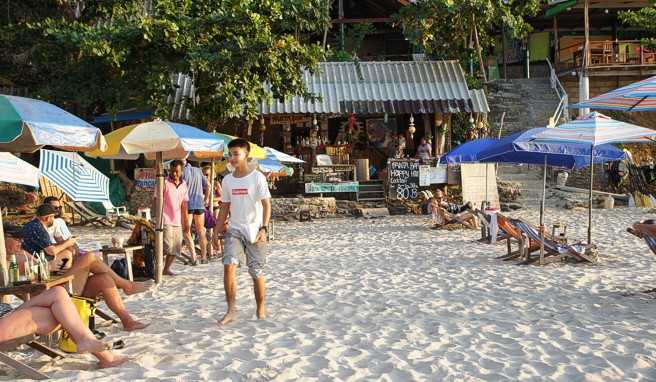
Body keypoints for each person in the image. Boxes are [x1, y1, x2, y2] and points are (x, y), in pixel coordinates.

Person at [15, 208, 151, 331]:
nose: (20, 241)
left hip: (58, 284)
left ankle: (128, 321)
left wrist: (65, 255)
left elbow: (49, 259)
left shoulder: (27, 245)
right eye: (15, 239)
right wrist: (67, 246)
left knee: (104, 279)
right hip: (53, 294)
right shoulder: (17, 258)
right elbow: (37, 272)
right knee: (89, 257)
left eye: (19, 239)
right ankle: (127, 285)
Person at [0, 286, 128, 369]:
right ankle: (101, 353)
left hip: (8, 315)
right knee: (63, 314)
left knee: (59, 293)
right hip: (4, 323)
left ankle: (90, 344)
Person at [216, 138, 271, 325]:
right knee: (229, 264)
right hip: (235, 229)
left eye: (235, 154)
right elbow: (224, 207)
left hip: (255, 230)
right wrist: (216, 230)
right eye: (229, 154)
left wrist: (264, 228)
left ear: (246, 155)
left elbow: (266, 204)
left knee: (256, 271)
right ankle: (231, 310)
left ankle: (260, 307)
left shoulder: (257, 177)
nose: (231, 158)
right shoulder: (227, 180)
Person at [158, 160, 189, 275]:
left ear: (181, 171)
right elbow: (156, 199)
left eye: (177, 171)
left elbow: (184, 204)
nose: (174, 174)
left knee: (176, 248)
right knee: (166, 247)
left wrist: (186, 222)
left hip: (177, 220)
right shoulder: (164, 182)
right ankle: (156, 267)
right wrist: (157, 217)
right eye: (172, 171)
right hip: (165, 219)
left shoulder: (184, 184)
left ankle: (166, 269)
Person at [182, 160, 209, 264]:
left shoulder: (183, 171)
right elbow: (208, 186)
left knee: (186, 231)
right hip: (199, 203)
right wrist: (206, 199)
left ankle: (193, 257)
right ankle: (204, 257)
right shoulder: (198, 170)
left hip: (187, 204)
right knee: (201, 230)